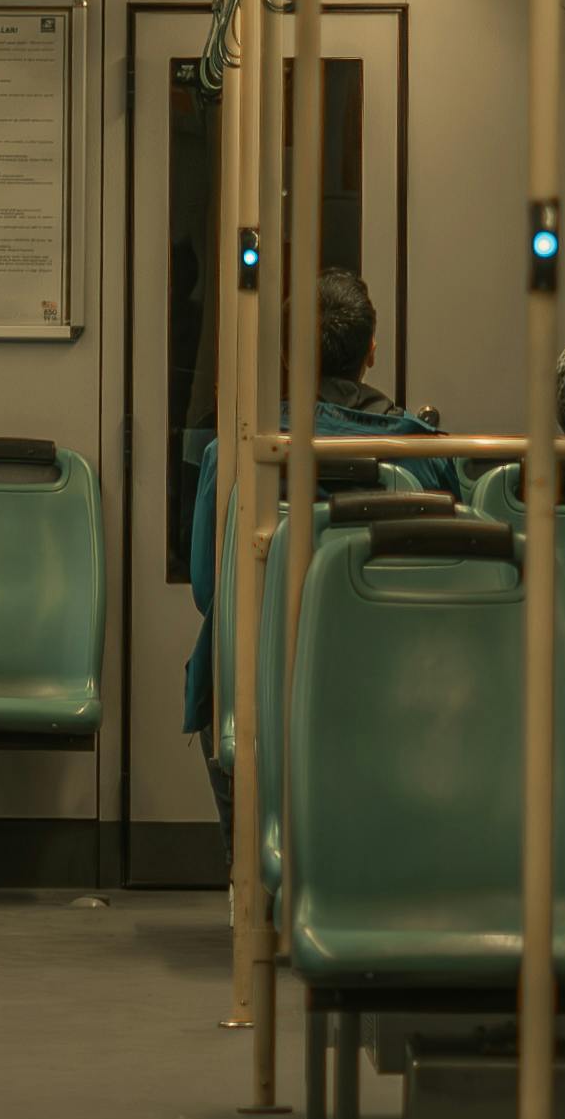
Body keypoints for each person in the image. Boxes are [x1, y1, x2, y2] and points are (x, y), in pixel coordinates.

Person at [185, 269, 449, 823]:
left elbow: (211, 589)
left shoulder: (239, 454)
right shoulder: (422, 456)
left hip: (263, 678)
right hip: (398, 680)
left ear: (287, 357)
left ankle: (251, 870)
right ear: (371, 352)